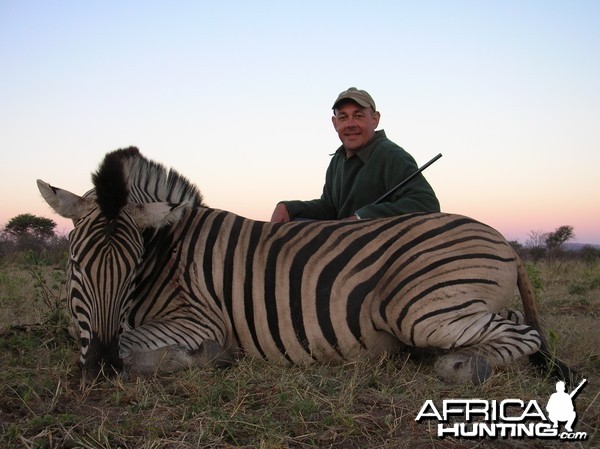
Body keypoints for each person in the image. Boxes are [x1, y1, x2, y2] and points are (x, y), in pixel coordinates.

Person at [270, 87, 440, 223]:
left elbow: (426, 203)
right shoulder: (338, 159)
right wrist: (289, 207)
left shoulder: (391, 155)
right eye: (343, 117)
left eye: (358, 116)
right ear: (335, 123)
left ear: (375, 119)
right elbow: (330, 208)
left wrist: (362, 217)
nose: (350, 124)